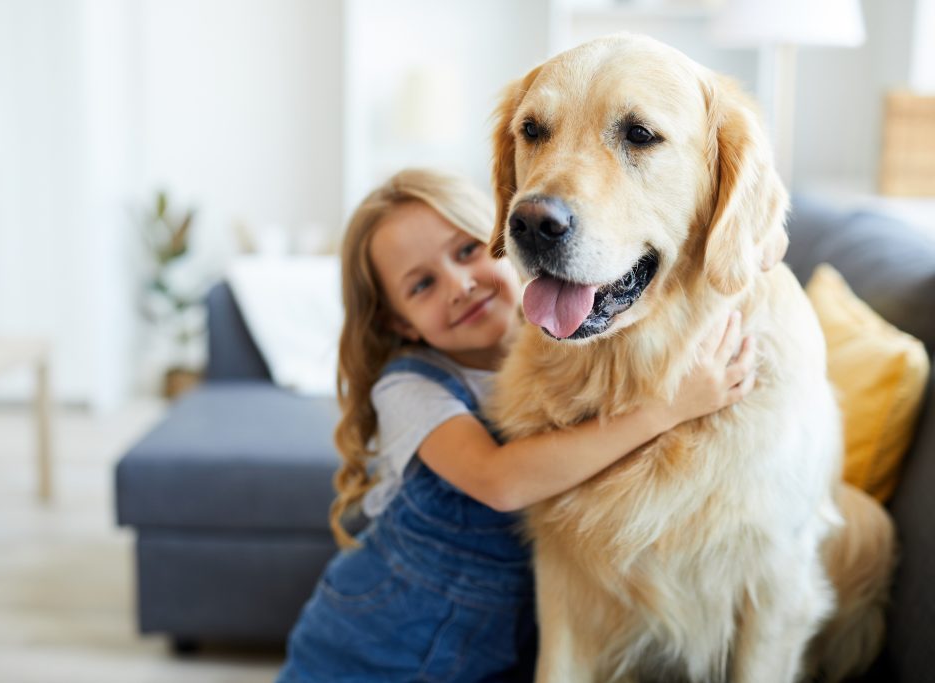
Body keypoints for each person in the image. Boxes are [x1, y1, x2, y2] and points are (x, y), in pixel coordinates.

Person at [276, 168, 768, 682]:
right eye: (422, 284)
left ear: (503, 238)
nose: (459, 284)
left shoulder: (566, 334)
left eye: (466, 251)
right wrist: (669, 408)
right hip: (375, 650)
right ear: (399, 322)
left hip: (493, 654)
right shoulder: (410, 387)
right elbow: (501, 481)